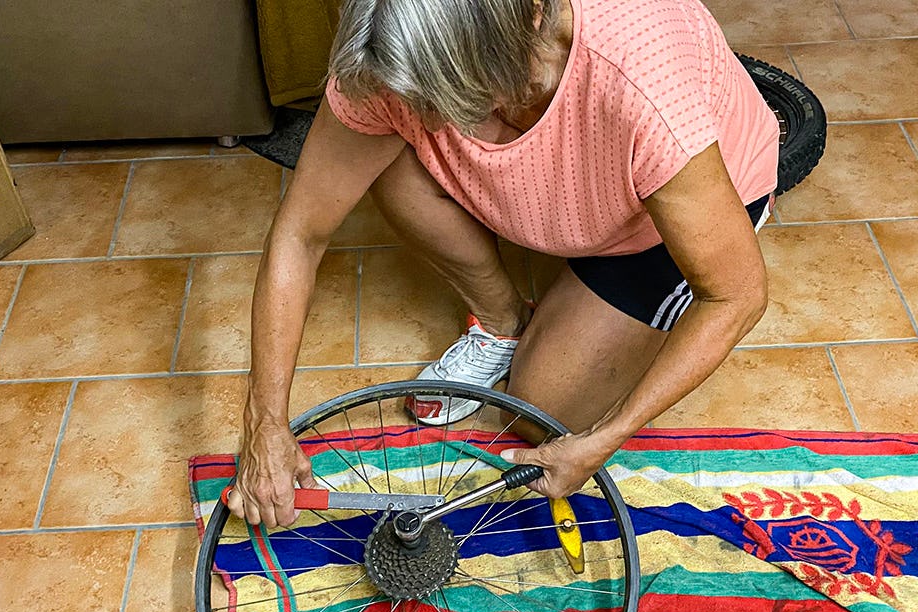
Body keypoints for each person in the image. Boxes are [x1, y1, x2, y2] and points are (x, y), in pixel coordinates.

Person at [226, 0, 779, 529]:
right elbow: (299, 234)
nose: (425, 117)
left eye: (449, 95)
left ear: (530, 20)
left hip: (652, 228)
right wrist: (265, 420)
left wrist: (602, 440)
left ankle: (586, 299)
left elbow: (736, 294)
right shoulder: (399, 54)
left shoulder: (643, 79)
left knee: (544, 411)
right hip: (565, 189)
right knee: (380, 158)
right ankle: (502, 321)